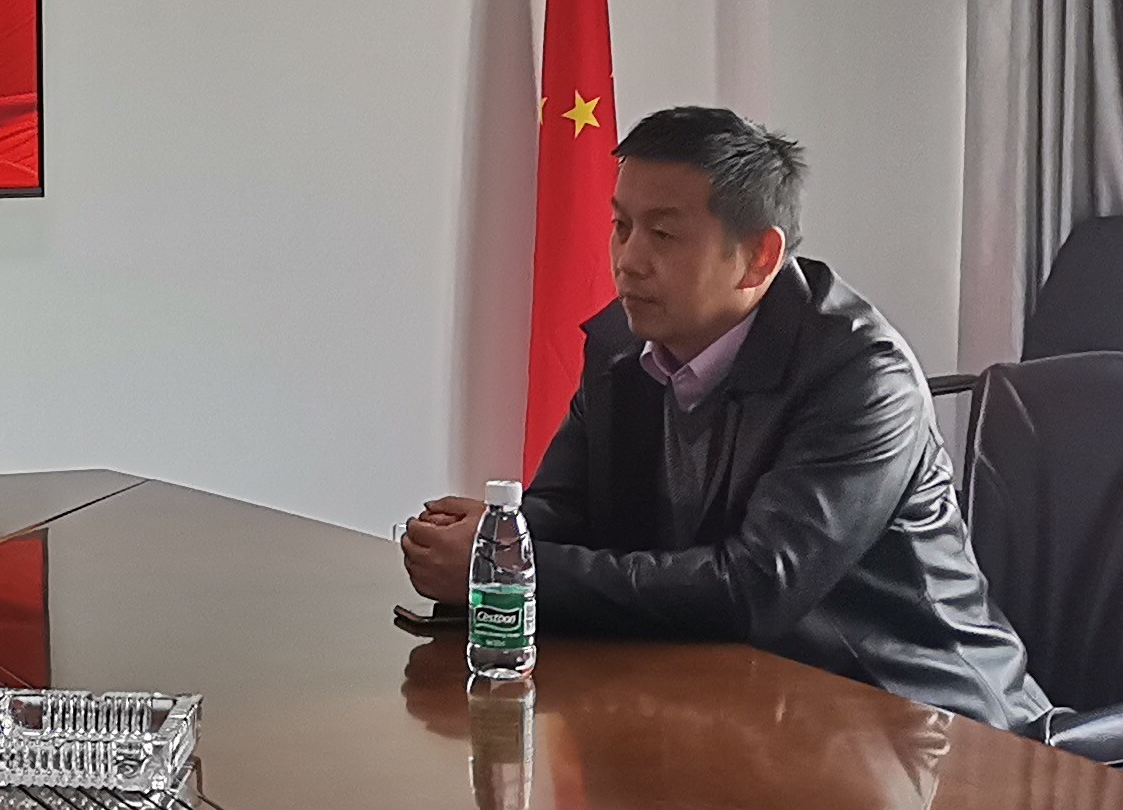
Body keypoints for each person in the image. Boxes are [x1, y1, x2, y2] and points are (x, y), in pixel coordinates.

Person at [401, 106, 1036, 729]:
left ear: (760, 256)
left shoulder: (860, 377)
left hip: (923, 721)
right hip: (748, 707)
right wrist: (493, 539)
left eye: (663, 235)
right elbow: (568, 514)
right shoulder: (622, 345)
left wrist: (517, 572)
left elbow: (756, 588)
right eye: (621, 226)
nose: (628, 260)